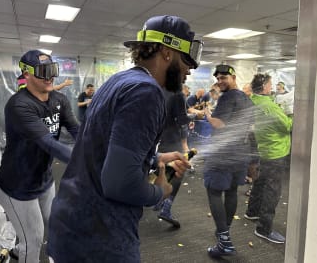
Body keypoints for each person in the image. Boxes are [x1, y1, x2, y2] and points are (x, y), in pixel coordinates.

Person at [47, 15, 202, 262]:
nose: (189, 69)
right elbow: (119, 184)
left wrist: (155, 158)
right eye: (186, 59)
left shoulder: (120, 81)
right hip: (99, 238)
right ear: (166, 52)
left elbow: (105, 147)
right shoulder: (146, 93)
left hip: (72, 225)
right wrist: (158, 192)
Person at [0, 50, 79, 263]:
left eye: (52, 71)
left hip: (44, 180)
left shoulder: (59, 99)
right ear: (27, 74)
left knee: (55, 223)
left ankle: (24, 250)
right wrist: (86, 162)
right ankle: (22, 249)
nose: (50, 77)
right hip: (17, 187)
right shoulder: (19, 105)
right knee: (34, 239)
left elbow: (78, 131)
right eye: (43, 72)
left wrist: (100, 149)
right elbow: (48, 144)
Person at [203, 64, 254, 257]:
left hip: (223, 154)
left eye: (224, 77)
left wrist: (207, 114)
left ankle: (224, 240)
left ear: (233, 78)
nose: (220, 81)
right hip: (240, 153)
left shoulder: (228, 98)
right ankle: (224, 230)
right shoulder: (245, 98)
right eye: (218, 78)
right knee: (231, 191)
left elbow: (219, 124)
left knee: (214, 191)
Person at [244, 73, 293, 244]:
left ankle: (252, 212)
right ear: (264, 86)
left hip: (264, 149)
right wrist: (293, 115)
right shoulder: (270, 106)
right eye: (270, 84)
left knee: (260, 182)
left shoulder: (255, 101)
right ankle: (264, 229)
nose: (272, 87)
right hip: (276, 152)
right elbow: (287, 125)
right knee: (273, 190)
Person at [153, 74, 194, 228]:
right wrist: (195, 116)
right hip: (173, 138)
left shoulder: (160, 89)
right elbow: (182, 119)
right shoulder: (177, 93)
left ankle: (157, 200)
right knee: (177, 172)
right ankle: (166, 208)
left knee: (161, 168)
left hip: (160, 136)